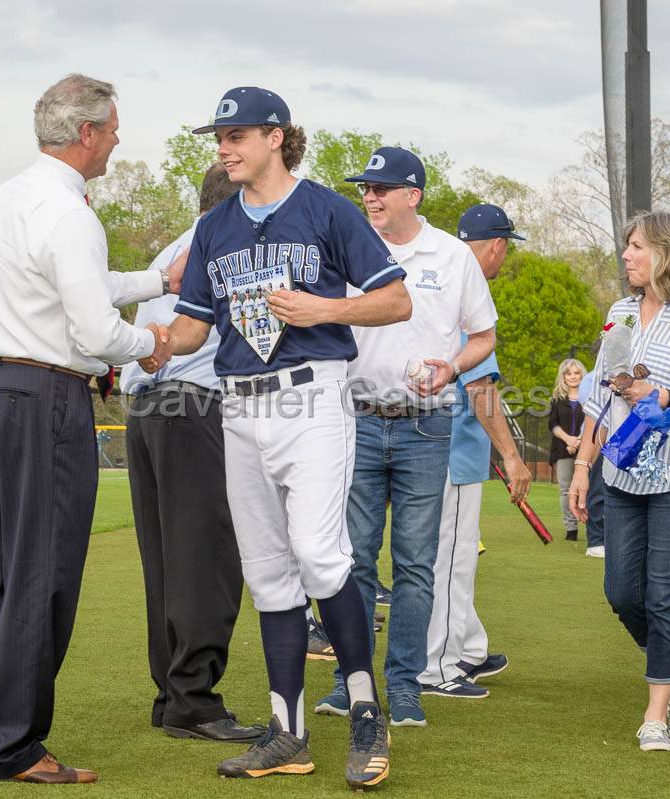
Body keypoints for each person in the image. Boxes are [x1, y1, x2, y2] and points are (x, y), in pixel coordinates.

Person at [0, 74, 174, 784]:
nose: (118, 138)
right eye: (113, 127)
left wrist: (155, 280)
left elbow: (74, 283)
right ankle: (15, 744)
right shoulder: (69, 214)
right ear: (85, 133)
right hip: (47, 398)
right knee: (45, 573)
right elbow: (92, 324)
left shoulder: (10, 197)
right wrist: (153, 343)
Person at [153, 86, 411, 788]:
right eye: (219, 138)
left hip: (313, 394)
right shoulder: (214, 228)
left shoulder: (326, 208)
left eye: (236, 135)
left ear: (276, 136)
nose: (224, 148)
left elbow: (396, 297)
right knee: (268, 572)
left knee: (319, 555)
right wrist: (150, 344)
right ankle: (287, 733)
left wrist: (323, 306)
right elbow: (192, 328)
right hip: (239, 405)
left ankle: (366, 713)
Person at [315, 147, 497, 725]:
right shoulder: (344, 245)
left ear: (412, 195)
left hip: (427, 425)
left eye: (381, 188)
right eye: (365, 189)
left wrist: (451, 366)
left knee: (416, 566)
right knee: (354, 563)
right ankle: (352, 684)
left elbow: (483, 336)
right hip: (358, 421)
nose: (369, 197)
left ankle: (407, 686)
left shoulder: (450, 254)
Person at [568, 209, 670, 752]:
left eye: (637, 246)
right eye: (627, 246)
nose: (627, 255)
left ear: (667, 252)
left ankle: (656, 714)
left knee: (666, 597)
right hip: (619, 471)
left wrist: (668, 398)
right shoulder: (620, 313)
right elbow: (599, 393)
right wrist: (581, 466)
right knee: (620, 591)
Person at [119, 163, 264, 744]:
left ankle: (173, 694)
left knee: (166, 561)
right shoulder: (226, 244)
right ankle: (194, 700)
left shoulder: (172, 249)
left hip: (146, 410)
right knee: (207, 559)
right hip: (194, 406)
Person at [419, 203, 531, 699]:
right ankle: (437, 667)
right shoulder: (468, 289)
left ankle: (467, 646)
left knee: (450, 554)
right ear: (497, 246)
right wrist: (510, 455)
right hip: (452, 450)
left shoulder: (439, 275)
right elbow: (480, 387)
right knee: (453, 557)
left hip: (424, 443)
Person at [549, 358, 587, 541]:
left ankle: (594, 526)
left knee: (590, 489)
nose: (572, 376)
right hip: (562, 450)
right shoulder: (557, 399)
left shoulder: (590, 396)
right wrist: (569, 440)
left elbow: (594, 421)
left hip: (587, 449)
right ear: (563, 377)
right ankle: (571, 529)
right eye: (568, 373)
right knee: (565, 489)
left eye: (576, 372)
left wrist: (579, 441)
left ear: (582, 374)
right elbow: (553, 425)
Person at [579, 339, 607, 559]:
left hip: (624, 442)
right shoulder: (590, 380)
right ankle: (596, 540)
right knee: (596, 491)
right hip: (599, 442)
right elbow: (594, 412)